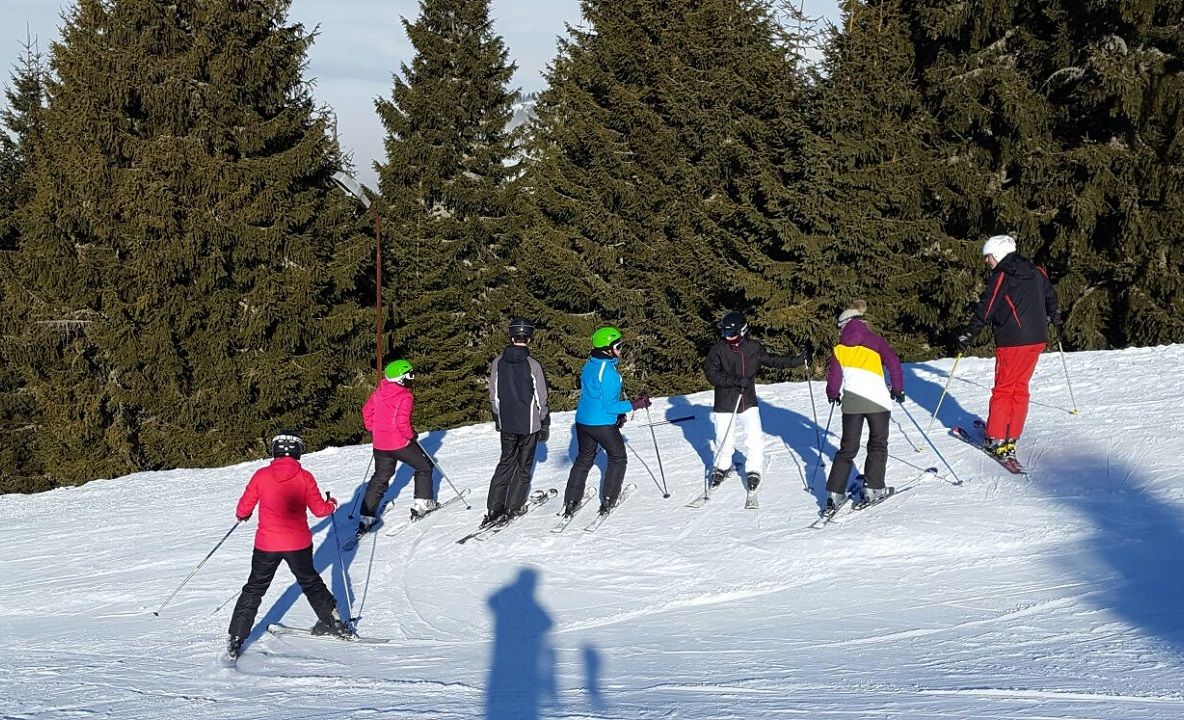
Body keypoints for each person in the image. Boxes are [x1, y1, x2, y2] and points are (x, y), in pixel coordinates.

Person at [226, 430, 351, 661]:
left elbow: (243, 508)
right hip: (298, 544)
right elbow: (320, 510)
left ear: (274, 451)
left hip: (266, 545)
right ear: (298, 452)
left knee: (254, 588)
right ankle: (333, 621)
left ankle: (236, 638)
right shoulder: (304, 476)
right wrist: (331, 504)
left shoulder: (261, 475)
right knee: (310, 581)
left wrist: (243, 515)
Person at [957, 234, 1059, 459]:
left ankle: (996, 438)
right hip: (1037, 338)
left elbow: (988, 305)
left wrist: (969, 333)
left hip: (1013, 339)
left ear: (998, 255)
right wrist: (1054, 316)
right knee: (1020, 386)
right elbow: (1050, 294)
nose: (987, 261)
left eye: (989, 257)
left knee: (1004, 388)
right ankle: (1011, 434)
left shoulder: (1003, 274)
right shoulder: (1034, 270)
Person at [703, 311, 808, 491]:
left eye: (732, 334)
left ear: (743, 331)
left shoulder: (753, 348)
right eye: (725, 334)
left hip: (747, 401)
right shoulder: (718, 350)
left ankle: (753, 468)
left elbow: (773, 360)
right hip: (725, 401)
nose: (728, 338)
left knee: (754, 437)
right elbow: (711, 374)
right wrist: (736, 381)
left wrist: (797, 360)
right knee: (723, 437)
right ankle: (722, 465)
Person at [562, 326, 651, 517]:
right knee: (618, 457)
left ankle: (571, 501)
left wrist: (617, 414)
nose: (621, 349)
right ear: (607, 349)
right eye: (618, 345)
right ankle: (609, 499)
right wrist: (635, 404)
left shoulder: (590, 364)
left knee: (584, 459)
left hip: (583, 422)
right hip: (601, 424)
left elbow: (596, 397)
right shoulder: (609, 373)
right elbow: (610, 406)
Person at [824, 301, 904, 511]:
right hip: (878, 401)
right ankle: (873, 488)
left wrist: (833, 394)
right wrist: (897, 389)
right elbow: (894, 363)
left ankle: (834, 493)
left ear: (846, 324)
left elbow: (834, 377)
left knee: (847, 448)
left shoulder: (840, 349)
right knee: (877, 444)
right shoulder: (875, 340)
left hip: (851, 403)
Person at [483, 316, 551, 529]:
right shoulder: (532, 364)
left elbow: (493, 394)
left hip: (507, 423)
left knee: (505, 463)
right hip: (528, 424)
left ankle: (494, 507)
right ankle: (514, 506)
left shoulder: (498, 362)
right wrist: (544, 421)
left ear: (511, 336)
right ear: (529, 338)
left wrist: (498, 416)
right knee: (523, 466)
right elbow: (541, 397)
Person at [358, 358, 437, 533]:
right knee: (424, 466)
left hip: (380, 445)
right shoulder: (405, 396)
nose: (412, 378)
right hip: (399, 443)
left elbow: (366, 410)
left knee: (380, 477)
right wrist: (411, 436)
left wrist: (373, 428)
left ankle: (366, 517)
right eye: (409, 375)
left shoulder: (379, 392)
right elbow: (401, 422)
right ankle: (423, 503)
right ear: (401, 379)